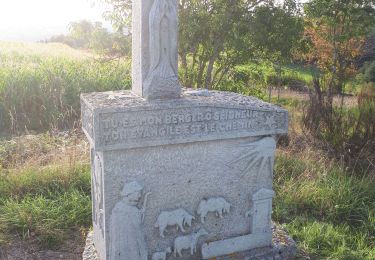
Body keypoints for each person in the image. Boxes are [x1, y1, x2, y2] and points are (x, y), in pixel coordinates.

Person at [109, 181, 150, 260]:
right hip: (129, 242)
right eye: (137, 193)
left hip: (128, 242)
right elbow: (138, 223)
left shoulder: (119, 207)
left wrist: (141, 212)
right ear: (129, 193)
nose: (139, 196)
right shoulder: (127, 209)